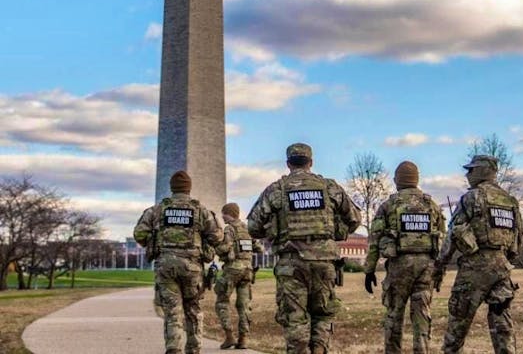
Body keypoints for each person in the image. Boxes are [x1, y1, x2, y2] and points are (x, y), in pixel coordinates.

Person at [246, 142, 361, 354]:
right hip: (324, 262)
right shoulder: (329, 187)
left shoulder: (276, 190)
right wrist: (336, 232)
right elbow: (354, 218)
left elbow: (253, 226)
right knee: (322, 314)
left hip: (292, 264)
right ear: (311, 162)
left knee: (295, 319)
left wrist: (273, 231)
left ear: (288, 163)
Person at [433, 154, 523, 354]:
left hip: (474, 269)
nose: (467, 174)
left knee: (457, 327)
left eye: (471, 170)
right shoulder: (510, 201)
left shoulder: (471, 197)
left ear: (482, 171)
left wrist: (439, 265)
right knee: (502, 327)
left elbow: (453, 234)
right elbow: (518, 241)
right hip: (502, 269)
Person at [133, 170, 223, 354]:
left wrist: (153, 240)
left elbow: (139, 234)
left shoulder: (158, 209)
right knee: (193, 309)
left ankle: (173, 349)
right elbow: (217, 236)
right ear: (189, 188)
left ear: (172, 188)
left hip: (165, 265)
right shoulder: (200, 209)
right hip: (192, 266)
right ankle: (194, 348)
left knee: (172, 310)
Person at [364, 160, 445, 354]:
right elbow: (442, 239)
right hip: (426, 267)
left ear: (397, 180)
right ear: (416, 179)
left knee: (394, 315)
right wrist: (439, 271)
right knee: (422, 316)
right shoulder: (431, 205)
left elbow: (375, 240)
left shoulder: (389, 205)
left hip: (399, 266)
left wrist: (369, 270)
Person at [214, 202, 262, 349]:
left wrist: (217, 247)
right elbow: (259, 247)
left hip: (232, 269)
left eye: (224, 214)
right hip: (247, 270)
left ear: (229, 214)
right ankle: (243, 339)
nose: (222, 217)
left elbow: (225, 247)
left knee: (222, 301)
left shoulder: (229, 229)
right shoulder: (247, 229)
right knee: (244, 305)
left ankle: (229, 336)